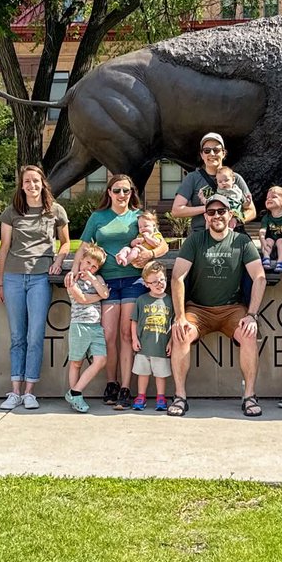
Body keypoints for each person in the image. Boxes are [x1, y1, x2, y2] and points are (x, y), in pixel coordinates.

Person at [68, 174, 169, 409]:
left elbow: (161, 243)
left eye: (126, 190)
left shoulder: (138, 217)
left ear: (132, 192)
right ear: (109, 192)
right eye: (117, 191)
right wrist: (73, 272)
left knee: (126, 334)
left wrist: (150, 254)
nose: (121, 195)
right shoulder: (98, 217)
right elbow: (83, 247)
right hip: (107, 283)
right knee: (108, 335)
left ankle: (125, 387)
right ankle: (111, 382)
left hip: (134, 281)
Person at [167, 192, 267, 418]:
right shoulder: (195, 240)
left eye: (221, 211)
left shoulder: (242, 242)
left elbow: (259, 277)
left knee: (249, 333)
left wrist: (252, 314)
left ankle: (249, 395)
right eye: (211, 212)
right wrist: (180, 316)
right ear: (205, 216)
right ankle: (180, 396)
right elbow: (177, 277)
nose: (216, 216)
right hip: (198, 309)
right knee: (181, 334)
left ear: (230, 214)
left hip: (232, 309)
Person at [0, 165, 70, 410]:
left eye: (36, 181)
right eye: (27, 181)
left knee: (35, 336)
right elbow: (3, 247)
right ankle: (15, 391)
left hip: (40, 278)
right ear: (22, 185)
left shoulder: (55, 211)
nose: (31, 185)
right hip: (13, 278)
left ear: (43, 183)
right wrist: (0, 282)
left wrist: (58, 261)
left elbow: (66, 243)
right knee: (17, 337)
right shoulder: (11, 212)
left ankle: (30, 391)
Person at [170, 132, 255, 235]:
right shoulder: (192, 178)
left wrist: (236, 220)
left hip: (232, 234)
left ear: (223, 153)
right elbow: (176, 210)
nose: (212, 154)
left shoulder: (235, 178)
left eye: (216, 150)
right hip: (202, 234)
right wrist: (208, 208)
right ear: (202, 155)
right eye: (207, 150)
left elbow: (251, 211)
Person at [65, 246, 110, 413]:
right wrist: (98, 296)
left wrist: (93, 280)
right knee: (76, 362)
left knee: (101, 360)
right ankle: (75, 397)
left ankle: (74, 391)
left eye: (94, 266)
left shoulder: (97, 278)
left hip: (96, 326)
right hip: (79, 325)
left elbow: (105, 293)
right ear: (81, 260)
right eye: (88, 263)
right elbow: (82, 298)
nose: (89, 268)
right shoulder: (72, 279)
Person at [130, 261, 173, 411]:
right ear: (147, 284)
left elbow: (174, 324)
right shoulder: (142, 300)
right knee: (143, 373)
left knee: (160, 374)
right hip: (143, 346)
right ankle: (141, 396)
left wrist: (171, 342)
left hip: (161, 346)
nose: (159, 284)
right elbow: (134, 321)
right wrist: (134, 339)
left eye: (162, 280)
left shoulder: (170, 301)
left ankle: (161, 397)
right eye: (154, 281)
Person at [259, 186, 282, 273]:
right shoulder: (266, 217)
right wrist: (262, 240)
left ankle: (280, 262)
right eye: (267, 198)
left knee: (281, 241)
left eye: (273, 197)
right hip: (271, 240)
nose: (269, 199)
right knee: (268, 240)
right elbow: (262, 231)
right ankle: (266, 258)